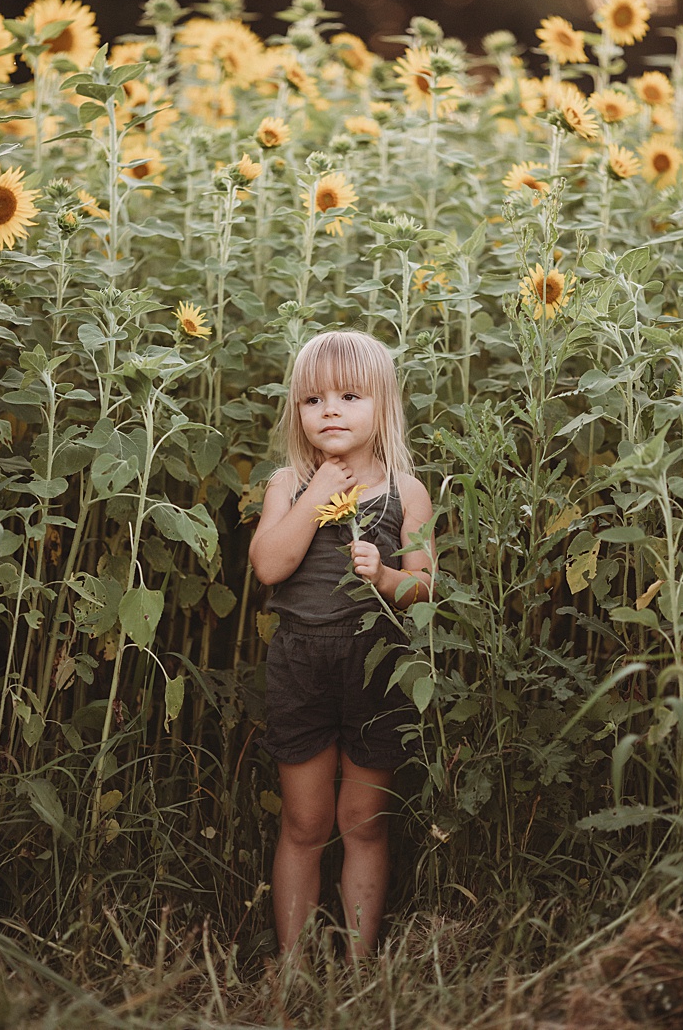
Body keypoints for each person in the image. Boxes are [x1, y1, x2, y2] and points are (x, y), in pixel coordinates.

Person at [248, 328, 435, 961]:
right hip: (301, 663)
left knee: (364, 821)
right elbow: (271, 566)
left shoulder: (406, 492)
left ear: (382, 405)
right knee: (304, 824)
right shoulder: (287, 484)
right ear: (296, 412)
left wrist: (384, 575)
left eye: (350, 395)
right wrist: (318, 497)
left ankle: (360, 970)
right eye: (313, 399)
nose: (329, 409)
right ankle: (294, 967)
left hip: (375, 667)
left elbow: (424, 585)